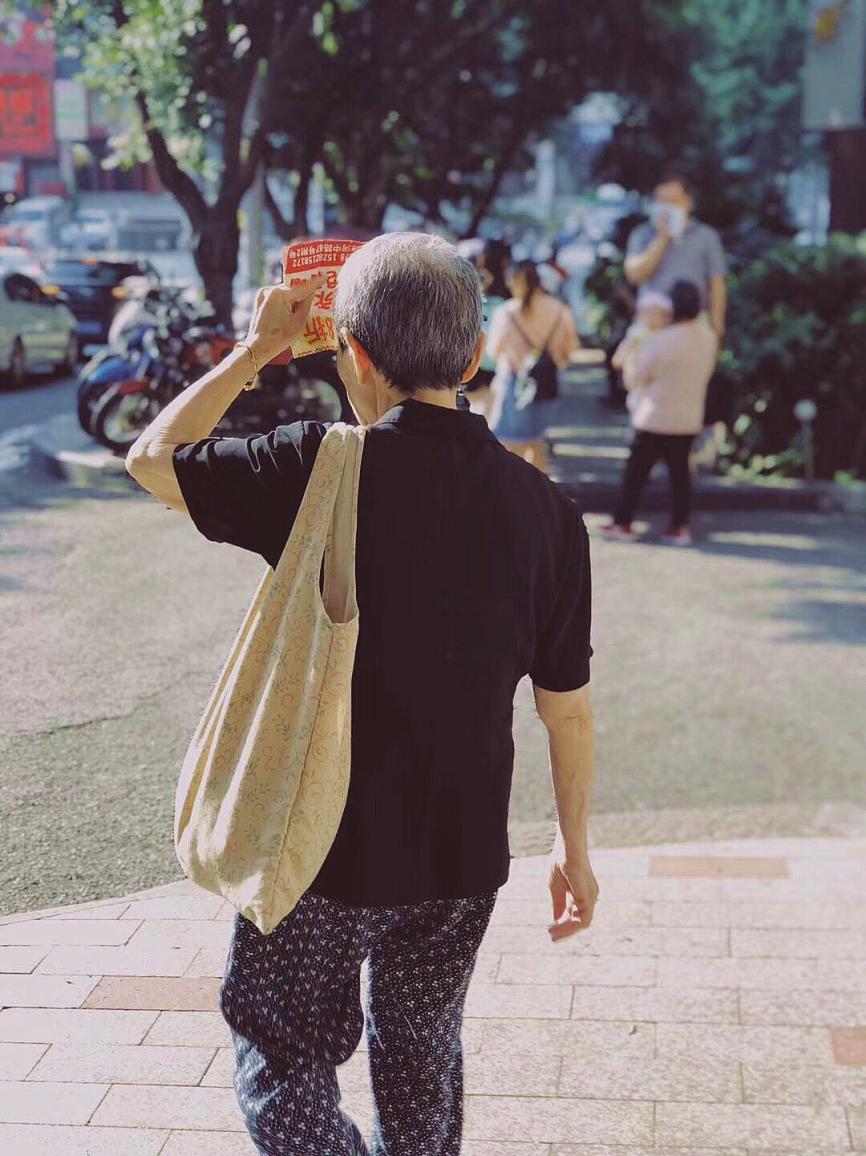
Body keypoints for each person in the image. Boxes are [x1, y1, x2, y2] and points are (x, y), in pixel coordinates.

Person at [124, 232, 597, 1156]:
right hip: (463, 852)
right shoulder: (549, 512)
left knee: (283, 1051)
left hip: (322, 847)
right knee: (422, 1060)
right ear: (472, 357)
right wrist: (573, 850)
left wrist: (257, 348)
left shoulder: (317, 468)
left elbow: (153, 456)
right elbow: (566, 708)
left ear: (356, 355)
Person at [602, 278, 718, 546]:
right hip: (689, 417)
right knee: (681, 477)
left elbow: (635, 379)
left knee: (635, 475)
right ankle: (679, 527)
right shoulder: (708, 337)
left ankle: (623, 523)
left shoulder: (659, 340)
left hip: (653, 417)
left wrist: (628, 362)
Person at [486, 259, 580, 473]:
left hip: (514, 385)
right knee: (537, 443)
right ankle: (538, 492)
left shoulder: (507, 312)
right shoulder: (559, 309)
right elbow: (571, 348)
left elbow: (494, 351)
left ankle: (513, 492)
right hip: (547, 384)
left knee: (510, 446)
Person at [624, 171, 727, 341]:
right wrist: (662, 240)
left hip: (694, 324)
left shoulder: (706, 236)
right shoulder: (641, 234)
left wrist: (717, 329)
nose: (666, 208)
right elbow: (635, 275)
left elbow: (717, 285)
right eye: (661, 201)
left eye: (673, 201)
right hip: (651, 322)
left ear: (688, 202)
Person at [463, 237, 510, 419]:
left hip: (479, 352)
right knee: (487, 406)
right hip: (491, 355)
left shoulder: (476, 281)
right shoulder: (506, 288)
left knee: (477, 404)